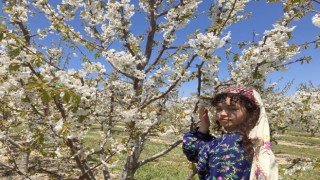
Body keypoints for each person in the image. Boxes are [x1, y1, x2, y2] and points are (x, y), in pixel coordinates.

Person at [182, 86, 278, 180]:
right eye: (219, 109)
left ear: (250, 112)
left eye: (233, 109)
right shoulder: (252, 141)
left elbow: (195, 151)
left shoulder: (229, 144)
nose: (223, 113)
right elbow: (195, 151)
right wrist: (204, 125)